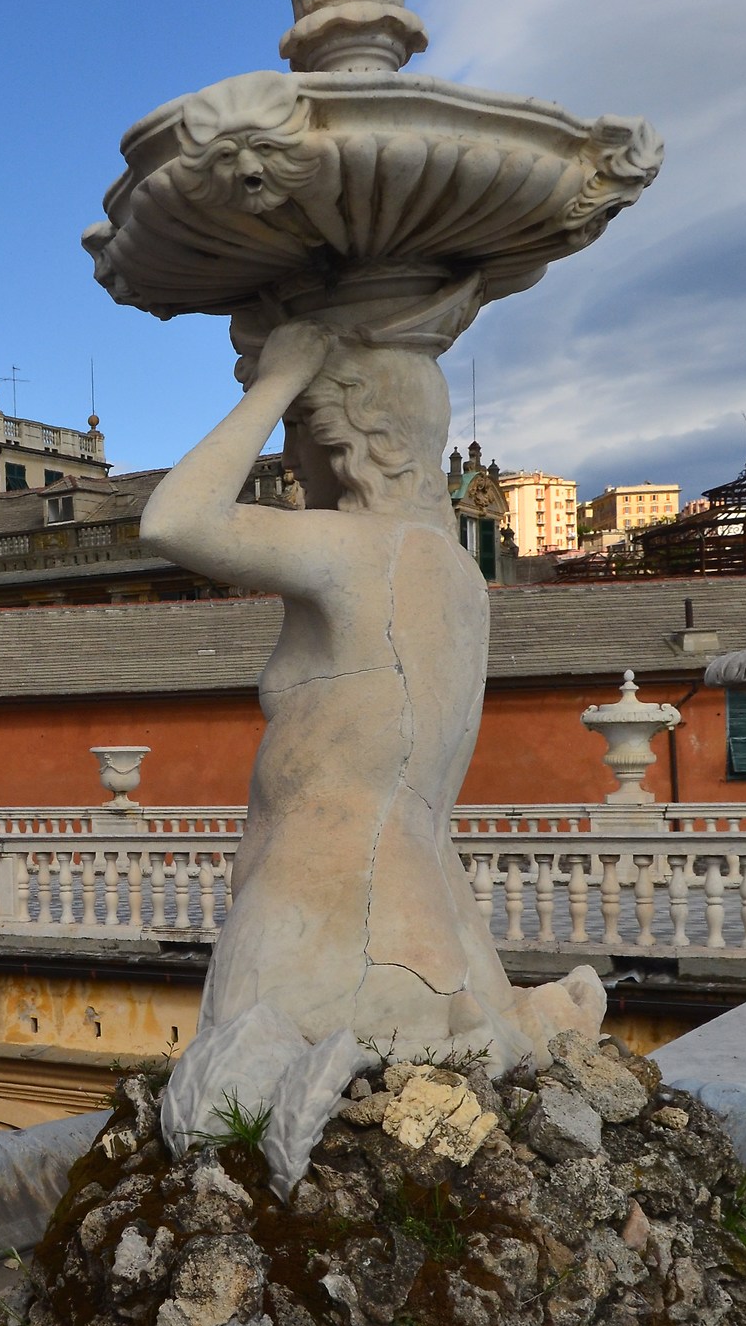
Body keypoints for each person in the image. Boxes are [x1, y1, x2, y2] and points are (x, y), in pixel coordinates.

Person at [141, 317, 599, 1171]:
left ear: (347, 443)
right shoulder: (458, 571)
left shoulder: (358, 549)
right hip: (426, 906)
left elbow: (173, 522)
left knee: (219, 1141)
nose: (290, 463)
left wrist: (275, 378)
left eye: (298, 437)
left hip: (317, 909)